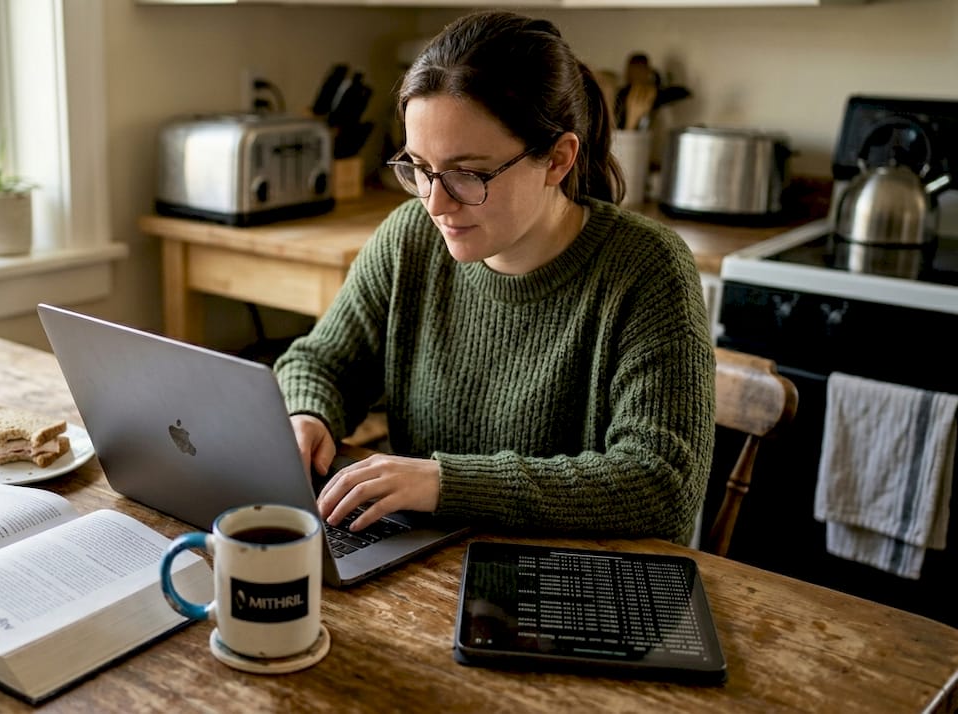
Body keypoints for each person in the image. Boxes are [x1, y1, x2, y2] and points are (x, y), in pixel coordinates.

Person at [273, 10, 716, 546]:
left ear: (558, 159)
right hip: (427, 560)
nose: (435, 203)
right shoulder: (409, 237)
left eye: (468, 174)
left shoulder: (648, 268)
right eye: (419, 167)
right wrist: (307, 414)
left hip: (569, 577)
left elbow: (662, 484)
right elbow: (321, 362)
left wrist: (446, 483)